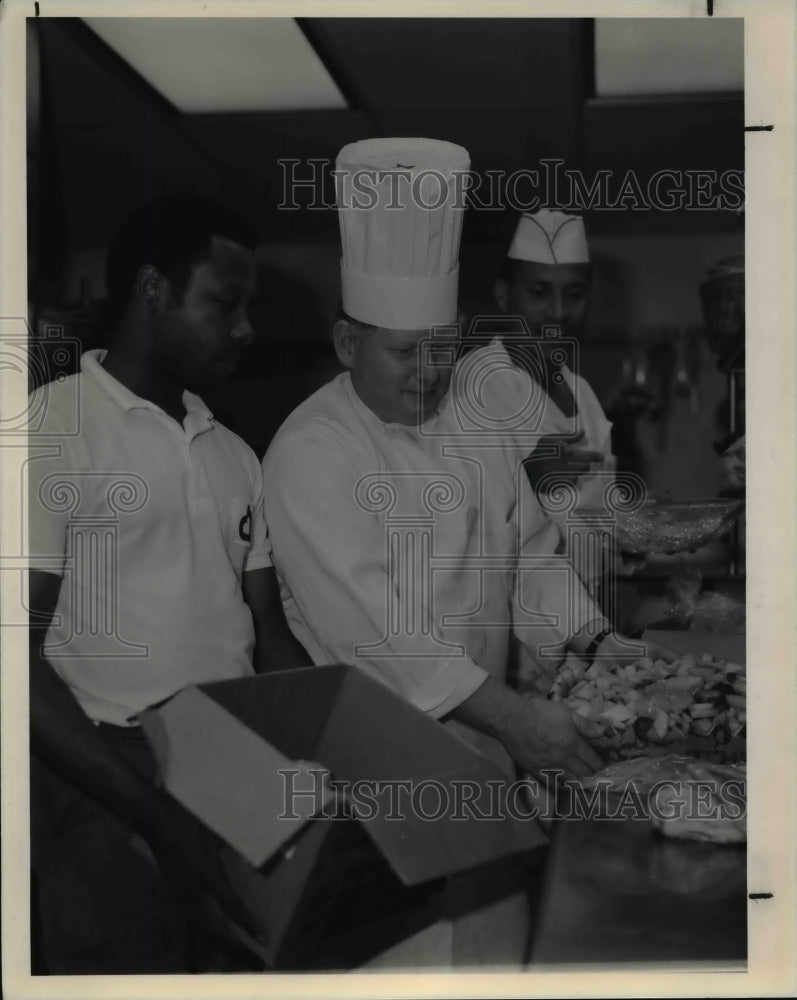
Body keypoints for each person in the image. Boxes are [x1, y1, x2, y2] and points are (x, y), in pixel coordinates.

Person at [262, 139, 672, 966]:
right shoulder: (311, 451)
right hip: (376, 778)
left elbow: (526, 555)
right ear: (346, 343)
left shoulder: (473, 421)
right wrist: (520, 721)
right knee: (411, 964)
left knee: (494, 950)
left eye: (442, 347)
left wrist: (597, 647)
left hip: (487, 750)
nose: (428, 373)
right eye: (403, 353)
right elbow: (380, 640)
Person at [27, 194, 310, 974]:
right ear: (153, 289)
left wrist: (338, 747)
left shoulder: (231, 452)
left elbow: (269, 637)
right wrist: (153, 812)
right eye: (226, 303)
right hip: (102, 778)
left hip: (231, 762)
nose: (247, 329)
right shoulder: (51, 432)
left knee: (245, 971)